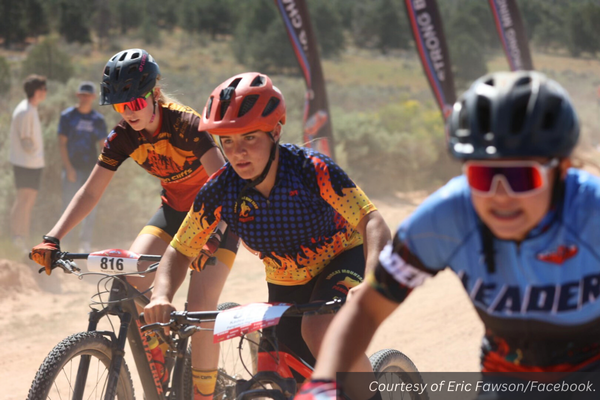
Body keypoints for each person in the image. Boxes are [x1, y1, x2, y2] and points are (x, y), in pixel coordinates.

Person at [297, 71, 600, 399]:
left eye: (521, 178)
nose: (501, 196)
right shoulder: (449, 215)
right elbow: (368, 309)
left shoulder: (591, 211)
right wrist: (322, 382)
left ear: (563, 169)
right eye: (483, 177)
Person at [143, 72, 391, 400]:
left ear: (275, 131)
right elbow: (179, 251)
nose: (237, 152)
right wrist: (162, 296)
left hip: (343, 257)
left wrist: (372, 281)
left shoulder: (312, 169)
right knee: (277, 369)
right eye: (227, 141)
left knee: (318, 331)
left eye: (249, 138)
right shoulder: (219, 190)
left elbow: (373, 223)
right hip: (286, 278)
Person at [30, 49, 238, 392]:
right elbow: (89, 193)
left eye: (135, 103)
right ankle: (158, 347)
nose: (129, 113)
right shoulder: (123, 136)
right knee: (130, 276)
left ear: (155, 94)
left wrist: (214, 235)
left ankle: (203, 394)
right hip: (173, 213)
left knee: (200, 307)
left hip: (216, 217)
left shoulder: (185, 125)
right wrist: (52, 237)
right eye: (120, 105)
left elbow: (226, 186)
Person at [58, 81, 108, 252]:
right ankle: (64, 242)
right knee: (68, 205)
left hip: (90, 170)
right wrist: (69, 168)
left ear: (93, 97)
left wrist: (101, 172)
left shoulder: (98, 120)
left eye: (88, 95)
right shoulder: (67, 116)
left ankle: (84, 244)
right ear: (78, 95)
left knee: (90, 207)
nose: (85, 98)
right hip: (71, 168)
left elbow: (104, 146)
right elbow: (62, 143)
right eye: (82, 95)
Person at [9, 74, 47, 256]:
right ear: (37, 91)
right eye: (44, 89)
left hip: (33, 164)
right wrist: (35, 153)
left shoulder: (30, 109)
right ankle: (17, 237)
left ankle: (22, 237)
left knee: (28, 201)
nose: (46, 92)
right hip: (25, 164)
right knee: (23, 200)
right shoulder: (24, 111)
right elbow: (25, 141)